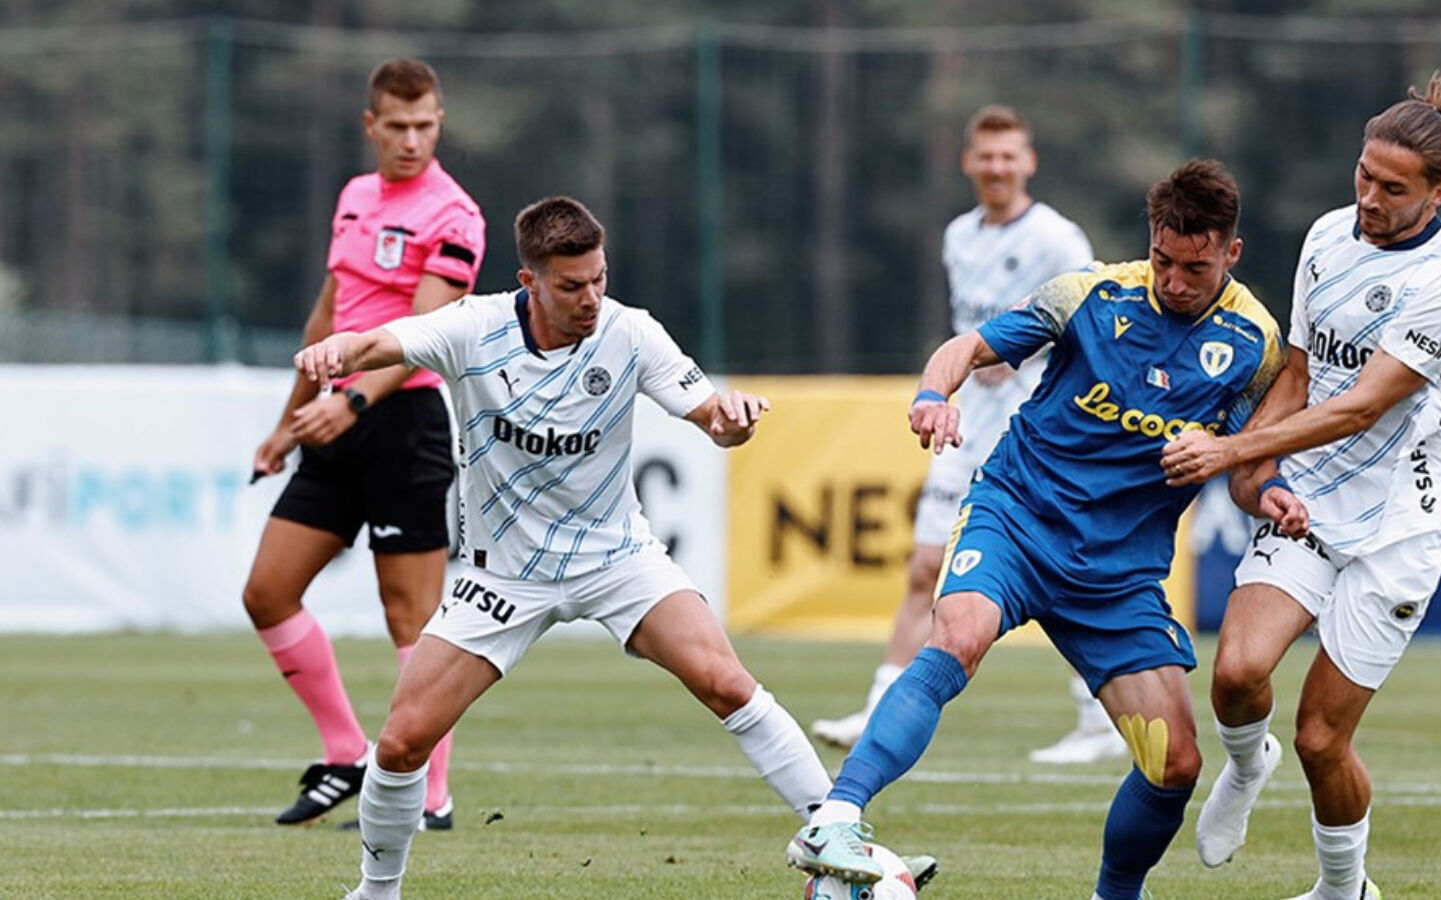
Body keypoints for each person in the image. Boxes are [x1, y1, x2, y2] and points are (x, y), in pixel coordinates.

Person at [295, 197, 840, 900]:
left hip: (616, 557)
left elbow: (713, 419)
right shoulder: (474, 329)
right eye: (572, 285)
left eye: (599, 279)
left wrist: (736, 421)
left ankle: (840, 835)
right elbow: (384, 343)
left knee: (726, 681)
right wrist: (339, 348)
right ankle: (376, 892)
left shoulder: (631, 333)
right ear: (530, 282)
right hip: (505, 576)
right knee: (401, 743)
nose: (591, 299)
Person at [786, 159, 1286, 900]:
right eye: (1163, 260)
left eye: (1195, 268)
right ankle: (836, 816)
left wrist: (1267, 490)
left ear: (1230, 255)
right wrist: (933, 395)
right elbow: (964, 348)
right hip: (1017, 517)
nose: (1174, 281)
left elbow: (1245, 468)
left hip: (1117, 575)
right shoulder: (1090, 293)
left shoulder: (1256, 346)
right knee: (957, 635)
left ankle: (1115, 895)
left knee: (1175, 764)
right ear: (1150, 241)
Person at [1164, 74, 1441, 900]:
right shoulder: (1325, 239)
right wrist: (1254, 468)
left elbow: (1360, 407)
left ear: (1438, 192)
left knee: (1320, 739)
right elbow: (1303, 376)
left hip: (1398, 529)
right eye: (1362, 176)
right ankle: (1244, 767)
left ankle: (1345, 889)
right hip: (1309, 498)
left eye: (1393, 188)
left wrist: (1232, 445)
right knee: (1235, 673)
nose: (1370, 198)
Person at [810, 104, 1123, 766]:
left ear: (1029, 162)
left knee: (1063, 572)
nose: (998, 166)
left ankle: (1096, 716)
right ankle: (879, 706)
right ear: (968, 163)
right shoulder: (958, 235)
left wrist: (1021, 356)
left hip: (1034, 429)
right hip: (967, 428)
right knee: (925, 565)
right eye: (987, 155)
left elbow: (1094, 322)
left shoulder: (1058, 240)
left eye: (1010, 155)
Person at [242, 58, 484, 829]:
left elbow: (419, 337)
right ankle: (347, 752)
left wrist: (346, 400)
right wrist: (289, 420)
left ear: (439, 122)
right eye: (398, 126)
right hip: (335, 419)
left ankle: (431, 795)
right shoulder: (354, 197)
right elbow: (327, 319)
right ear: (370, 125)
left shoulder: (456, 215)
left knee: (410, 619)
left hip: (403, 425)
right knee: (268, 591)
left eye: (426, 125)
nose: (412, 140)